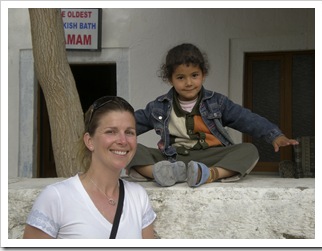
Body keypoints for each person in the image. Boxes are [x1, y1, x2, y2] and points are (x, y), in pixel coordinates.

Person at [126, 43, 299, 188]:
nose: (188, 83)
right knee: (130, 148)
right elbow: (129, 125)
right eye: (180, 77)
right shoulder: (158, 107)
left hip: (211, 157)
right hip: (173, 158)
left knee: (249, 150)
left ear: (203, 75)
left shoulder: (218, 102)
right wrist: (101, 131)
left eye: (194, 75)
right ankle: (161, 174)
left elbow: (246, 118)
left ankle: (208, 174)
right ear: (170, 79)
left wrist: (274, 135)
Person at [23, 96, 156, 239]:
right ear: (89, 141)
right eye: (111, 131)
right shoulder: (56, 198)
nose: (123, 141)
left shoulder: (138, 197)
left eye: (129, 132)